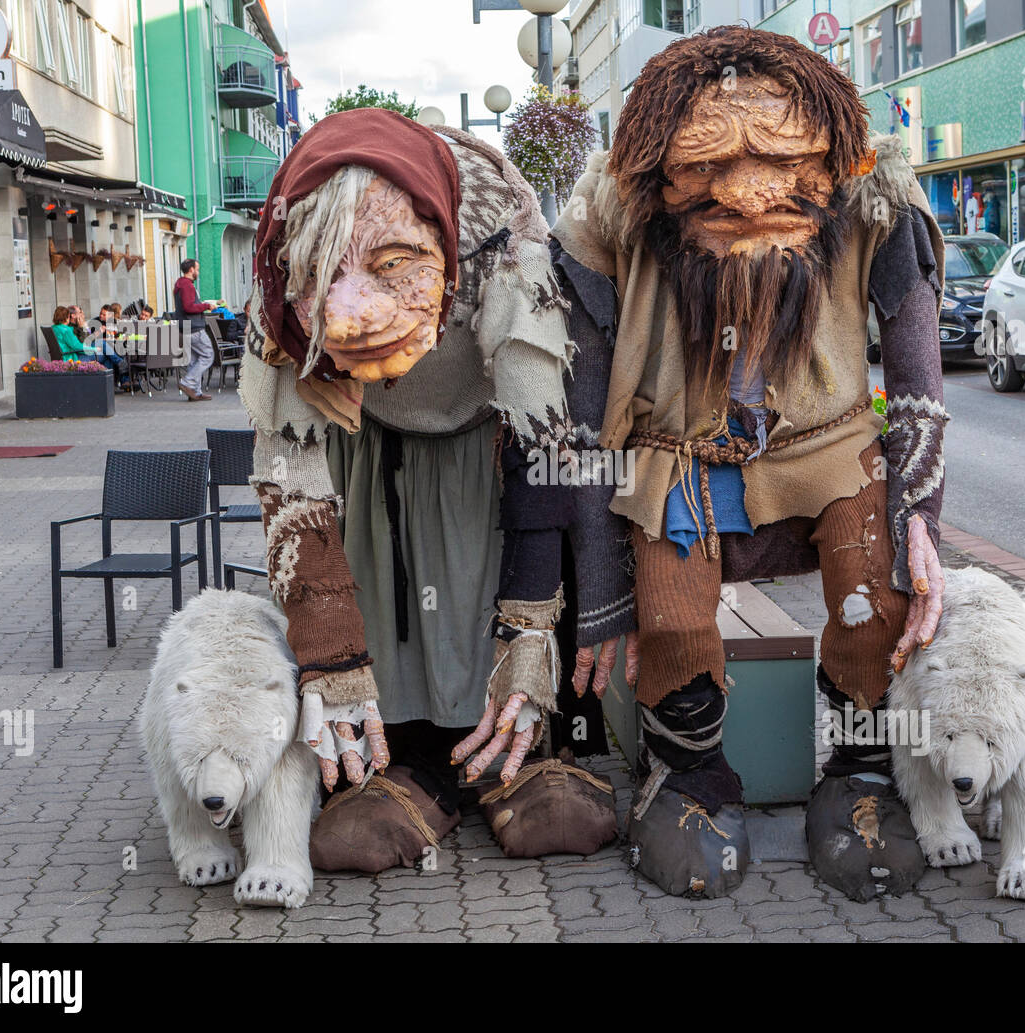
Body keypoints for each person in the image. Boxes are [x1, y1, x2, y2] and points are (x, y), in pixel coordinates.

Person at [551, 26, 948, 899]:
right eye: (709, 170)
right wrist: (597, 580)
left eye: (777, 161)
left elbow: (916, 370)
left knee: (871, 594)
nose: (749, 191)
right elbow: (579, 405)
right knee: (676, 617)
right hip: (678, 454)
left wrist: (918, 511)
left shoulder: (874, 194)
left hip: (831, 448)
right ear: (658, 175)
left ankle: (861, 771)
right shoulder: (613, 209)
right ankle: (686, 775)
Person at [237, 108, 604, 876]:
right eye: (324, 279)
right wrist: (328, 651)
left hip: (485, 441)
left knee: (490, 578)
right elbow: (289, 476)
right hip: (371, 449)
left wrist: (532, 628)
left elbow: (542, 440)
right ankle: (405, 761)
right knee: (385, 593)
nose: (350, 312)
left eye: (393, 263)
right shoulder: (283, 253)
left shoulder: (499, 231)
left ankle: (532, 748)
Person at [173, 259, 214, 401]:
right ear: (191, 270)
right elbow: (189, 307)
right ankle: (188, 382)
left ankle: (195, 392)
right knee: (208, 355)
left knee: (194, 360)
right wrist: (206, 306)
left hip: (185, 327)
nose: (198, 272)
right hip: (194, 327)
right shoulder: (187, 286)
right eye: (197, 269)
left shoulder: (180, 284)